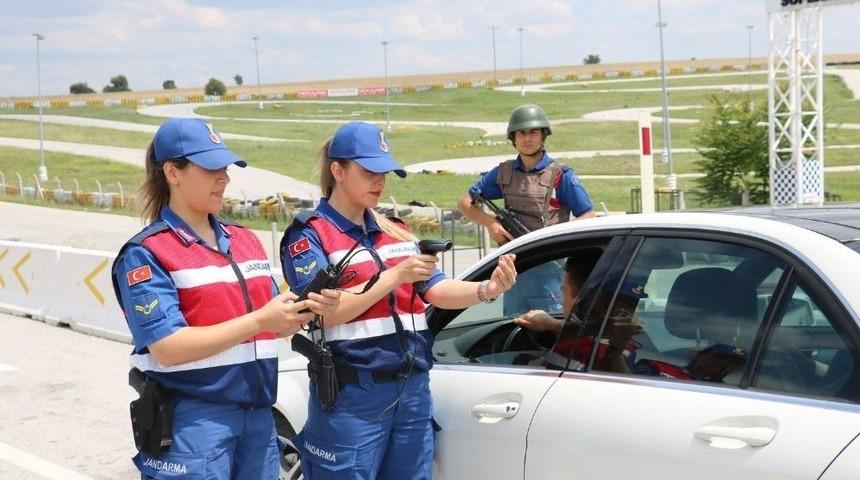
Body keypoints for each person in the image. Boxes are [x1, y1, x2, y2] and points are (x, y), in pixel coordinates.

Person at [281, 121, 518, 480]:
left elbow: (435, 290)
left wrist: (488, 289)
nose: (380, 181)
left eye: (385, 172)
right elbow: (323, 315)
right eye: (369, 171)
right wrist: (392, 277)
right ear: (337, 171)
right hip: (353, 395)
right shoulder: (310, 235)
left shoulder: (396, 229)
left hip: (412, 390)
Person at [110, 118, 340, 480]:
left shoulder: (245, 240)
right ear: (173, 171)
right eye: (211, 168)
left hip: (260, 417)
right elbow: (167, 347)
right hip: (194, 423)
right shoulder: (147, 253)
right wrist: (260, 321)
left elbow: (262, 325)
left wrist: (298, 312)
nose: (225, 178)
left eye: (225, 168)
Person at [457, 103, 596, 315]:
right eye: (521, 133)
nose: (527, 138)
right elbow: (465, 201)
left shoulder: (560, 176)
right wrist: (490, 223)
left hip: (549, 270)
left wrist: (550, 236)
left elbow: (589, 215)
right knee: (513, 330)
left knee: (550, 332)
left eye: (533, 132)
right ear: (513, 138)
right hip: (513, 273)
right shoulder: (503, 173)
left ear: (543, 136)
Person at [514, 254, 642, 371]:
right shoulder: (637, 340)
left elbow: (543, 375)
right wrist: (553, 324)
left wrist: (520, 360)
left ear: (580, 300)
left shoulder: (574, 350)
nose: (561, 303)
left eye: (563, 292)